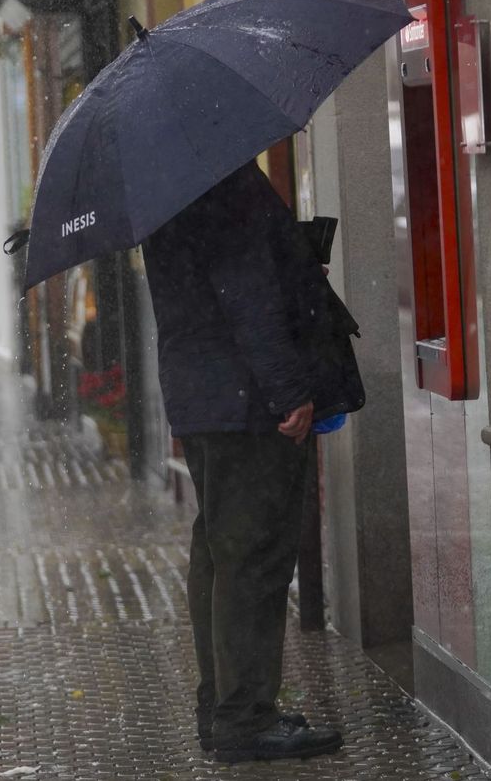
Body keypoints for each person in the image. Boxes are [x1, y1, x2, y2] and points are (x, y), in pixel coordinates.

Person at [140, 160, 362, 766]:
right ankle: (244, 719)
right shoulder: (219, 178)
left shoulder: (163, 187)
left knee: (218, 550)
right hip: (245, 399)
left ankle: (222, 708)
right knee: (253, 557)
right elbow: (246, 295)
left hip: (203, 397)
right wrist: (289, 389)